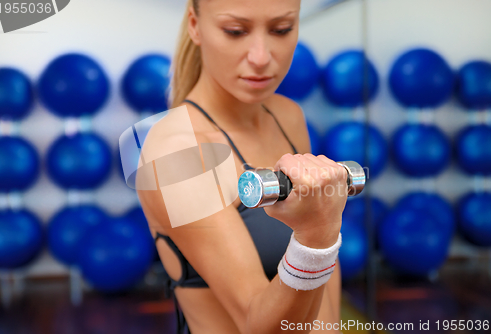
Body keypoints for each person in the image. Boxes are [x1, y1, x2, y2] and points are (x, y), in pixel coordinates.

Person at [137, 0, 349, 333]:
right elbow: (257, 324)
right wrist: (316, 235)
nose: (261, 57)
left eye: (281, 29)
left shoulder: (287, 116)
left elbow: (323, 287)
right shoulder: (175, 151)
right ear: (195, 24)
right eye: (235, 31)